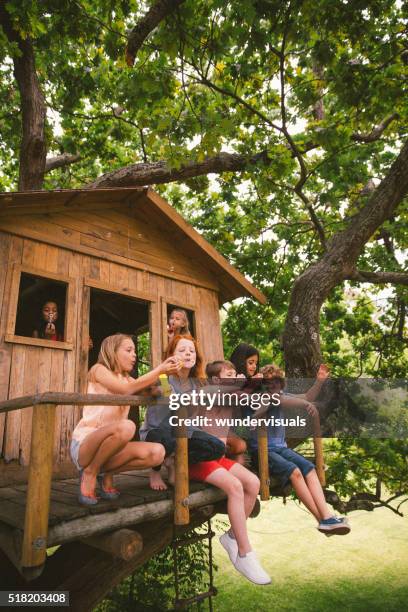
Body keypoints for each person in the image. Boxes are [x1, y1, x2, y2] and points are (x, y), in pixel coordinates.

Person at [70, 333, 182, 505]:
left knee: (158, 453)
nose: (134, 355)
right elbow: (126, 390)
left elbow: (160, 393)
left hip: (112, 449)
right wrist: (159, 369)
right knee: (127, 427)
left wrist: (165, 376)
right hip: (86, 445)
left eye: (134, 351)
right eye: (129, 350)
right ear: (112, 351)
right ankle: (90, 472)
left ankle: (106, 472)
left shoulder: (129, 380)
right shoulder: (99, 370)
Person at [189, 358, 271, 585]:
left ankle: (232, 536)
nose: (235, 376)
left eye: (236, 373)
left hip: (218, 459)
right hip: (197, 460)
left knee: (253, 483)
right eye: (229, 374)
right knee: (235, 487)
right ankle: (245, 553)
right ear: (216, 378)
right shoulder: (208, 392)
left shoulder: (233, 395)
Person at [250, 363, 350, 536]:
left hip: (281, 448)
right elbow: (278, 403)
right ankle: (323, 521)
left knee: (310, 470)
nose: (272, 386)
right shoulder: (261, 397)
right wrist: (303, 405)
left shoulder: (280, 395)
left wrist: (319, 382)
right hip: (263, 451)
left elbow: (307, 396)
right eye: (268, 383)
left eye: (276, 382)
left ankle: (326, 518)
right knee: (295, 472)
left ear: (281, 384)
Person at [140, 334, 226, 491]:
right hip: (158, 433)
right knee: (167, 440)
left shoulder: (198, 383)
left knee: (217, 447)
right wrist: (159, 390)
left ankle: (175, 462)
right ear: (172, 356)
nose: (188, 353)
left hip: (184, 432)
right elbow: (167, 394)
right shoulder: (164, 377)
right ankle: (155, 471)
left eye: (192, 351)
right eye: (182, 350)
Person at [205, 360, 247, 464]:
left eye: (235, 375)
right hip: (208, 438)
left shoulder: (232, 393)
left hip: (222, 437)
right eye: (229, 375)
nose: (234, 378)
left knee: (239, 448)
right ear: (216, 380)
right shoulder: (212, 391)